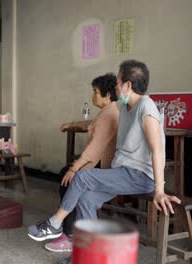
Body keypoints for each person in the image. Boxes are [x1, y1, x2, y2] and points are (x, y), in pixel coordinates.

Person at [28, 60, 181, 245]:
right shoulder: (124, 107)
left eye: (117, 82)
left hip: (140, 176)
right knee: (86, 199)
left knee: (82, 177)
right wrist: (73, 124)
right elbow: (97, 122)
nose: (116, 87)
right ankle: (88, 254)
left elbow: (158, 151)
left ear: (128, 85)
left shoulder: (146, 108)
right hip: (122, 172)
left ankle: (54, 223)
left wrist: (159, 189)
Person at [40, 73, 119, 253]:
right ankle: (68, 230)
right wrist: (71, 124)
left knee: (67, 178)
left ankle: (69, 235)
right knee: (65, 175)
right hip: (98, 164)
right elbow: (91, 124)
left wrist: (75, 168)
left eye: (96, 92)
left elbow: (94, 149)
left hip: (101, 167)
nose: (93, 95)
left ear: (107, 95)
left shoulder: (109, 114)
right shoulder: (108, 112)